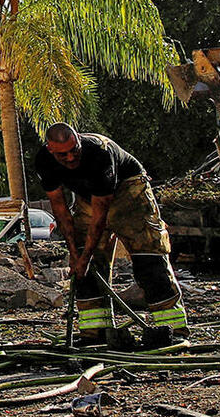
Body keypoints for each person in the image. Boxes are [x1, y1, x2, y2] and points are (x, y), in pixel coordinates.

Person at [34, 122, 189, 348]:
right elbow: (60, 209)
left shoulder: (99, 154)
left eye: (74, 150)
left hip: (129, 193)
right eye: (62, 155)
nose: (69, 158)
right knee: (85, 267)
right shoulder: (44, 161)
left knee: (148, 257)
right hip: (88, 198)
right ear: (50, 150)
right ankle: (95, 331)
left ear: (79, 140)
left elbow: (100, 217)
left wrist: (85, 257)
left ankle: (173, 329)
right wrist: (76, 254)